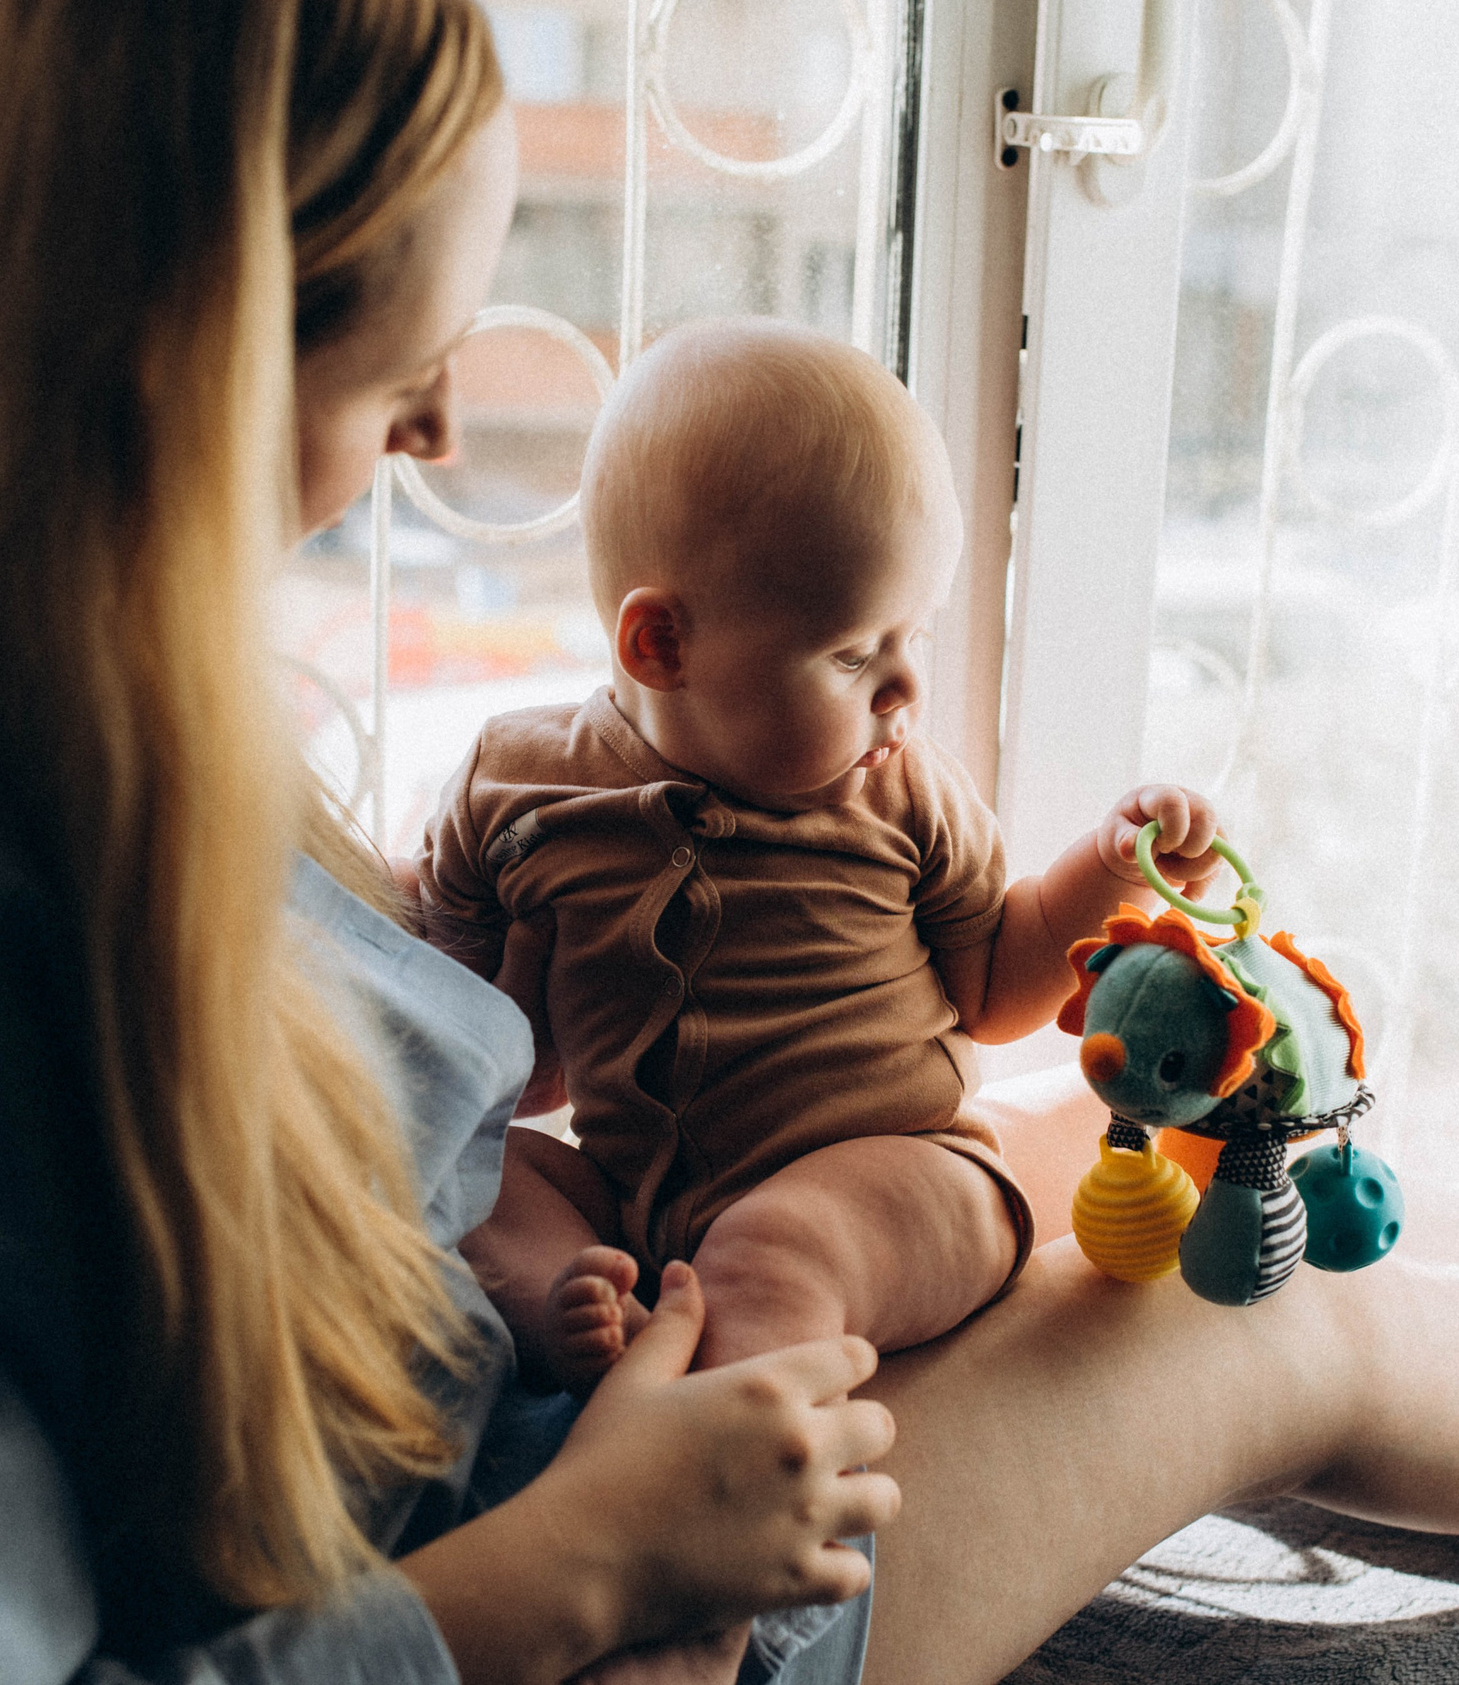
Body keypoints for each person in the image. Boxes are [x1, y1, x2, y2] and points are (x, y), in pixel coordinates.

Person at [0, 0, 1459, 1683]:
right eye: (383, 372)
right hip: (602, 1590)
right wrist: (581, 1557)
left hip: (559, 1395)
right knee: (1256, 1312)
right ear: (172, 347)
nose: (423, 428)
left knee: (1061, 1115)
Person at [423, 319, 1224, 1396]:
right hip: (631, 1193)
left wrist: (1110, 868)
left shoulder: (901, 787)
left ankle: (725, 1425)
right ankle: (576, 1293)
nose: (903, 689)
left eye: (915, 636)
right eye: (855, 652)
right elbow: (445, 1009)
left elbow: (997, 981)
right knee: (461, 1170)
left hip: (898, 1183)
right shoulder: (516, 781)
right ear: (660, 645)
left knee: (774, 1252)